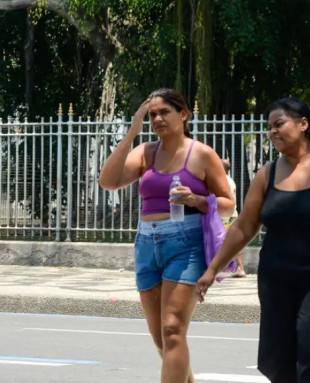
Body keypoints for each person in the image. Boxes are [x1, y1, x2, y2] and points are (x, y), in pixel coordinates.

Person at [196, 97, 310, 383]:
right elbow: (243, 227)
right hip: (275, 281)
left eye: (279, 124)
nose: (272, 132)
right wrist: (213, 269)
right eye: (269, 127)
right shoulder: (267, 174)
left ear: (303, 124)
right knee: (278, 360)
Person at [99, 88, 233, 383]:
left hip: (185, 244)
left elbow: (228, 204)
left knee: (173, 329)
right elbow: (108, 181)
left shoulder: (201, 154)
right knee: (161, 337)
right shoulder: (145, 152)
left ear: (183, 114)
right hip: (146, 243)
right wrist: (132, 132)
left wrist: (197, 201)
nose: (157, 119)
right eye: (151, 115)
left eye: (164, 112)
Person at [222, 159, 246, 277]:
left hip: (223, 216)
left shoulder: (223, 181)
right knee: (234, 242)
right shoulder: (230, 180)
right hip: (232, 214)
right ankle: (239, 267)